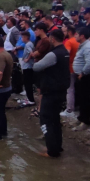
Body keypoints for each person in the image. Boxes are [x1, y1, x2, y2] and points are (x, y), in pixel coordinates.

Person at [33, 29, 70, 158]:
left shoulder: (53, 54)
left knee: (45, 119)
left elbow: (36, 67)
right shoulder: (65, 51)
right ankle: (56, 146)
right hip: (60, 91)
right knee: (55, 120)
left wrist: (37, 61)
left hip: (51, 92)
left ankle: (51, 151)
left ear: (53, 39)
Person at [72, 28, 90, 129]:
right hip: (80, 75)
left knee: (85, 98)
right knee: (81, 98)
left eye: (77, 34)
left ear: (82, 36)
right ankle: (81, 117)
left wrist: (83, 73)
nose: (75, 37)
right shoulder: (83, 45)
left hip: (85, 77)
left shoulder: (88, 47)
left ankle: (86, 121)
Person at [60, 25, 80, 118]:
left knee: (70, 89)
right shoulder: (78, 41)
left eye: (65, 32)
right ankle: (75, 106)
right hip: (78, 68)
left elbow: (65, 54)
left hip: (70, 68)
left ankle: (69, 109)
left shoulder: (69, 42)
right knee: (76, 88)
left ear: (69, 32)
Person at [21, 31, 36, 106]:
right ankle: (28, 98)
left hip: (28, 67)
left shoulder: (28, 44)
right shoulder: (28, 44)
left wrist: (27, 59)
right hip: (27, 66)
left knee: (27, 84)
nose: (21, 39)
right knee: (27, 83)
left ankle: (31, 100)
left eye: (22, 37)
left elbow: (31, 53)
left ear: (25, 37)